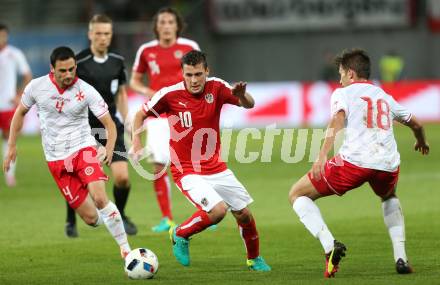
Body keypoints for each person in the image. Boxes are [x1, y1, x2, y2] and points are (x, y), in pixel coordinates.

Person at [288, 48, 429, 278]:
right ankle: (401, 257)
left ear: (351, 74)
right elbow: (416, 125)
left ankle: (329, 245)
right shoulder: (383, 95)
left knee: (296, 194)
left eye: (341, 73)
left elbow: (337, 119)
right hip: (387, 164)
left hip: (355, 164)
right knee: (389, 196)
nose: (340, 78)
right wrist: (421, 141)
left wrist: (322, 155)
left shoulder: (343, 93)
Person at [131, 50, 271, 271]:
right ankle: (180, 233)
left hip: (215, 166)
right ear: (182, 74)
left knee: (244, 214)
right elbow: (140, 114)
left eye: (198, 74)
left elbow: (249, 104)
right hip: (186, 169)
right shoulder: (169, 94)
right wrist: (136, 141)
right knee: (217, 211)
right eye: (189, 75)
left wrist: (242, 95)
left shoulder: (216, 87)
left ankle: (254, 259)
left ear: (207, 71)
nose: (194, 80)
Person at [3, 46, 132, 259]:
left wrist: (108, 149)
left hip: (84, 149)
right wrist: (12, 146)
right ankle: (112, 216)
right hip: (56, 160)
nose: (69, 75)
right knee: (91, 219)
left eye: (72, 69)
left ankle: (127, 251)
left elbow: (108, 123)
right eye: (63, 71)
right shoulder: (37, 87)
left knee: (100, 197)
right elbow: (20, 114)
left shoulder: (86, 90)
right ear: (52, 69)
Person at [63, 14, 137, 238]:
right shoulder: (79, 63)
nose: (103, 38)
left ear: (111, 35)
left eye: (107, 33)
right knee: (83, 180)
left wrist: (128, 121)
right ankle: (70, 220)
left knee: (123, 178)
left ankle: (121, 215)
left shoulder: (117, 61)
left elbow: (121, 93)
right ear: (90, 35)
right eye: (98, 33)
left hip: (110, 126)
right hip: (84, 128)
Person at [130, 7, 200, 233]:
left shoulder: (190, 47)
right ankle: (167, 218)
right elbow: (134, 80)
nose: (167, 26)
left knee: (193, 164)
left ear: (177, 25)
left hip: (185, 113)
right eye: (162, 22)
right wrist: (148, 91)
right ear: (156, 26)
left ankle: (205, 211)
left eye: (171, 21)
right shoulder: (146, 50)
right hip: (159, 114)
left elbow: (202, 76)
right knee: (159, 164)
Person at [0, 23, 32, 187]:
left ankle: (9, 175)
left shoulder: (14, 54)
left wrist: (19, 95)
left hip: (7, 104)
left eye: (3, 35)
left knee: (9, 139)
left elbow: (27, 75)